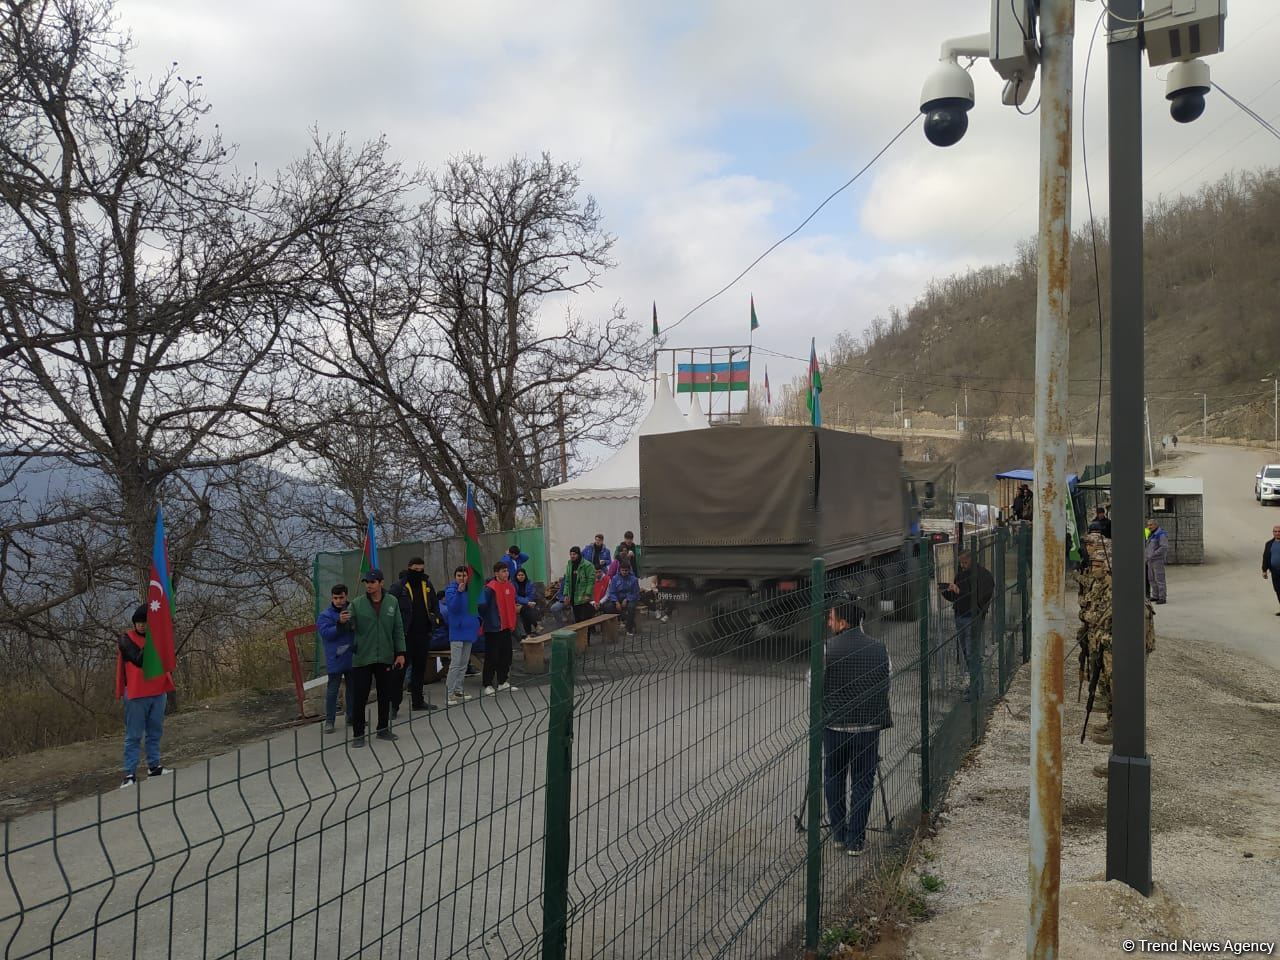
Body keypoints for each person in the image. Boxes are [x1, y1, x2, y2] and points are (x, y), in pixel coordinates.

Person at [822, 593, 892, 856]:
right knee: (863, 781)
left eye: (831, 618)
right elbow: (888, 678)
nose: (829, 624)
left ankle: (839, 834)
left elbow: (812, 683)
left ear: (842, 622)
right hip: (868, 727)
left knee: (834, 777)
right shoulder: (879, 648)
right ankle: (856, 840)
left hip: (835, 726)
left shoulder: (827, 649)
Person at [116, 605, 175, 787]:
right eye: (139, 623)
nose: (141, 626)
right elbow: (139, 659)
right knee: (133, 735)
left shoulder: (158, 636)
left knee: (155, 731)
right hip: (136, 694)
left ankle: (154, 766)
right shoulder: (126, 639)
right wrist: (155, 637)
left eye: (145, 623)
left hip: (158, 691)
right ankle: (130, 774)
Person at [346, 569, 407, 745]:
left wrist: (401, 653)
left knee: (384, 694)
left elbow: (398, 629)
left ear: (381, 583)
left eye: (372, 582)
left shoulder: (391, 602)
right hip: (363, 657)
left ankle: (383, 729)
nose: (369, 585)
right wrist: (343, 621)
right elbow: (348, 626)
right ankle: (358, 734)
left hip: (386, 656)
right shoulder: (357, 604)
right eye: (367, 582)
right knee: (360, 697)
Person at [940, 550, 995, 674]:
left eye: (965, 562)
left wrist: (960, 592)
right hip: (960, 615)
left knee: (972, 652)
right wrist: (946, 591)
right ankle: (974, 683)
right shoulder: (961, 575)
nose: (962, 565)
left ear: (972, 560)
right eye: (961, 563)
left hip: (973, 617)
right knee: (966, 650)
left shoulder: (984, 576)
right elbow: (955, 597)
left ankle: (977, 686)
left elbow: (980, 598)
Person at [402, 557, 441, 712]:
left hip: (423, 634)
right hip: (406, 636)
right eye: (415, 569)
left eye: (421, 569)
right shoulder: (401, 587)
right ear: (409, 568)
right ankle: (393, 705)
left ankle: (418, 701)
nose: (418, 572)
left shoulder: (427, 585)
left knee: (419, 669)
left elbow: (434, 605)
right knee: (401, 670)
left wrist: (435, 620)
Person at [315, 584, 355, 733]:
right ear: (332, 598)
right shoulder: (325, 615)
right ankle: (329, 721)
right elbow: (326, 634)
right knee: (333, 690)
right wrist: (340, 623)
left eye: (341, 597)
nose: (338, 601)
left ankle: (351, 716)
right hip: (336, 657)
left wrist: (353, 624)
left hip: (352, 655)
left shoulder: (353, 610)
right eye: (335, 598)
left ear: (346, 596)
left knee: (352, 689)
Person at [478, 561, 518, 694]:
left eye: (507, 571)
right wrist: (490, 620)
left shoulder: (510, 586)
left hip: (506, 626)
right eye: (503, 571)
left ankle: (502, 681)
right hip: (493, 628)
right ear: (496, 573)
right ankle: (487, 684)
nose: (506, 573)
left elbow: (512, 605)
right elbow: (482, 607)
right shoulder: (490, 589)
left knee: (506, 655)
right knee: (492, 657)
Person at [443, 565, 481, 706]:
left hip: (469, 630)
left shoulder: (471, 591)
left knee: (464, 663)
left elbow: (476, 608)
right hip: (457, 631)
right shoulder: (451, 590)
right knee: (455, 663)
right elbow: (453, 607)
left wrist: (477, 622)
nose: (461, 578)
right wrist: (459, 593)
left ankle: (459, 689)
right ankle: (449, 693)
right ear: (455, 577)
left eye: (464, 575)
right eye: (459, 575)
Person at [386, 570, 415, 719]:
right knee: (390, 676)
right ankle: (388, 705)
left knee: (398, 675)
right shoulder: (396, 591)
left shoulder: (416, 591)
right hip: (390, 641)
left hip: (406, 639)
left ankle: (394, 706)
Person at [558, 546, 596, 625]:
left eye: (574, 554)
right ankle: (580, 637)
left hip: (583, 597)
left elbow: (591, 581)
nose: (572, 556)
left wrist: (587, 594)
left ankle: (586, 637)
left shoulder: (587, 565)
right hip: (573, 597)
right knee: (577, 619)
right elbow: (567, 581)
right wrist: (566, 594)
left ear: (579, 554)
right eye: (571, 554)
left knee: (585, 620)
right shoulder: (569, 564)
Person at [602, 559, 640, 635]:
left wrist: (627, 599)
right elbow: (612, 592)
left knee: (631, 607)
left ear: (629, 570)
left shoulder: (634, 579)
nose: (624, 572)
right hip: (618, 598)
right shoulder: (615, 578)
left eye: (626, 570)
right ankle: (622, 620)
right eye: (622, 570)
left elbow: (635, 592)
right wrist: (616, 602)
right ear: (620, 570)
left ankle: (629, 628)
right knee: (607, 606)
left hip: (630, 598)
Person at [1144, 518, 1169, 604]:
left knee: (1159, 578)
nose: (1149, 527)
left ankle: (1162, 597)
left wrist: (1154, 554)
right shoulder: (1151, 534)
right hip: (1150, 560)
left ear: (1156, 525)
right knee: (1151, 579)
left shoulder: (1161, 534)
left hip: (1157, 560)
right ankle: (1155, 595)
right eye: (1148, 525)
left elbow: (1164, 547)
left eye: (1151, 525)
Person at [513, 567, 542, 637]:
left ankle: (528, 634)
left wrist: (528, 602)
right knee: (525, 609)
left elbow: (532, 594)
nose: (521, 577)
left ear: (525, 575)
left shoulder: (529, 583)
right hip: (516, 604)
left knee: (525, 610)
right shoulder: (513, 584)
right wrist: (527, 602)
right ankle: (535, 625)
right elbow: (515, 596)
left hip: (528, 603)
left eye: (522, 575)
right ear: (516, 576)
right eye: (519, 575)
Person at [1262, 524, 1280, 615]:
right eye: (1275, 531)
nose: (1277, 533)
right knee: (1277, 590)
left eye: (1279, 531)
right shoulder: (1269, 544)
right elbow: (1265, 557)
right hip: (1274, 571)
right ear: (1273, 533)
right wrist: (1264, 570)